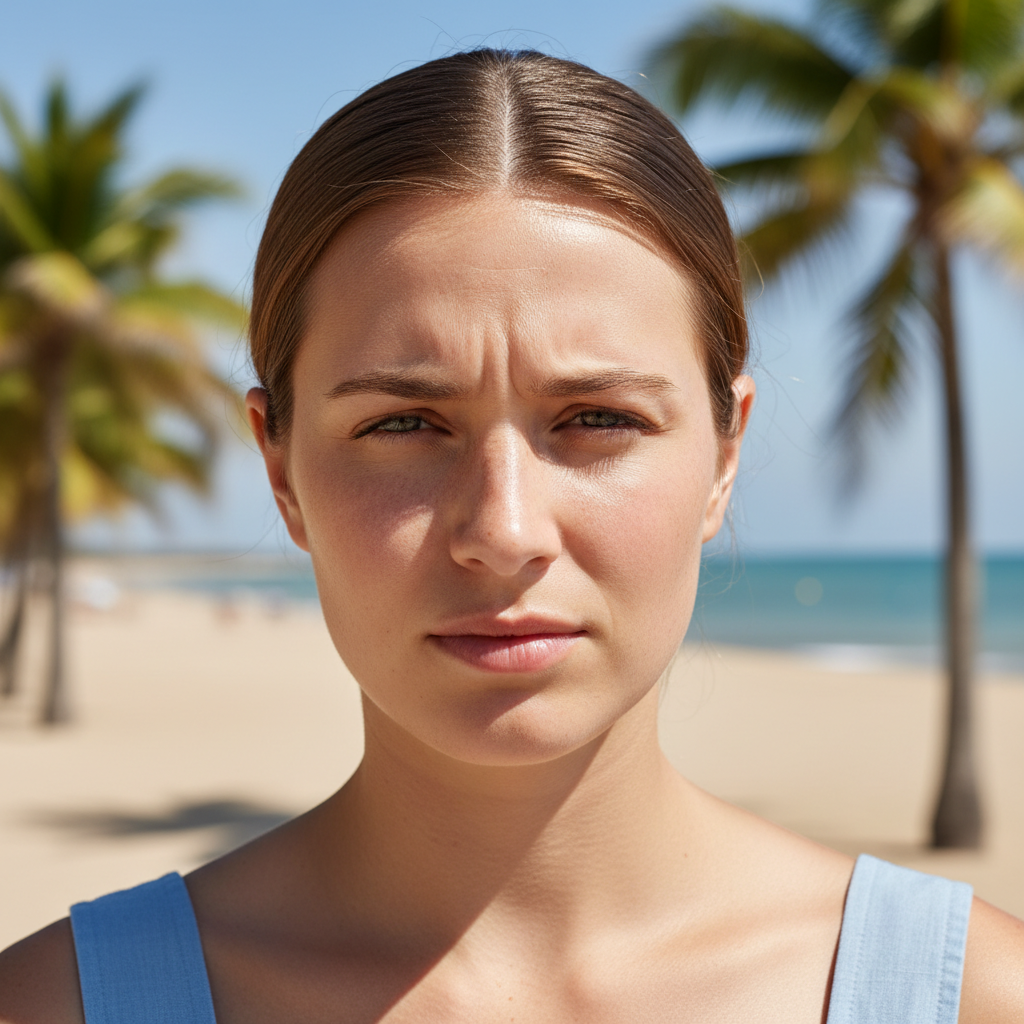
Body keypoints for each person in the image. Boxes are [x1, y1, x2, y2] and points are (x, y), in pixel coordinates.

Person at [1, 48, 1022, 1024]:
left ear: (722, 454)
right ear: (281, 468)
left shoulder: (971, 997)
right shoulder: (57, 1005)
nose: (503, 529)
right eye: (402, 424)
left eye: (597, 419)